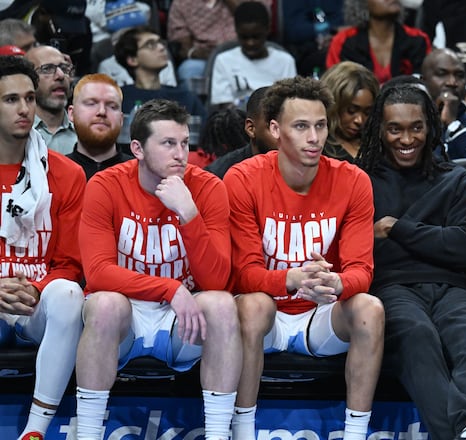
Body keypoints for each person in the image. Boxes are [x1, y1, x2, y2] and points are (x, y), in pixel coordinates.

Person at [224, 76, 384, 440]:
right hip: (267, 316)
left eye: (320, 125)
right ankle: (243, 431)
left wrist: (338, 282)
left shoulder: (354, 180)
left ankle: (356, 434)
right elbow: (245, 274)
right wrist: (291, 279)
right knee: (251, 306)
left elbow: (362, 270)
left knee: (370, 308)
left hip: (320, 312)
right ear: (275, 129)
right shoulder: (243, 179)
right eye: (301, 127)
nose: (314, 138)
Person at [75, 99, 242, 440]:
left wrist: (189, 215)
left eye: (184, 143)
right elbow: (97, 273)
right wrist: (169, 288)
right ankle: (88, 434)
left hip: (181, 323)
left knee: (224, 305)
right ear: (137, 148)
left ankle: (218, 434)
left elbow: (216, 280)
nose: (180, 154)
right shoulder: (106, 185)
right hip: (124, 320)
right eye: (168, 144)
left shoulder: (208, 188)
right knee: (104, 302)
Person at [355, 78, 466, 440]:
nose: (406, 140)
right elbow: (359, 249)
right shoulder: (359, 181)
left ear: (431, 128)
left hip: (455, 288)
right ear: (380, 129)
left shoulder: (459, 179)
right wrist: (436, 237)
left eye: (416, 128)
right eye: (395, 129)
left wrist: (396, 230)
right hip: (391, 289)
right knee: (417, 333)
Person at [0, 55, 85, 440]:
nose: (24, 109)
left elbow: (70, 261)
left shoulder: (66, 174)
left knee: (68, 294)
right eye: (10, 100)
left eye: (30, 98)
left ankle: (35, 432)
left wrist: (36, 288)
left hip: (36, 302)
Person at [209, 1, 297, 107]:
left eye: (256, 37)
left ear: (267, 30)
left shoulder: (285, 61)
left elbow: (290, 103)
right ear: (236, 31)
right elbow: (224, 106)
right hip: (238, 120)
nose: (250, 43)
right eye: (244, 37)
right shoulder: (223, 60)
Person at [326, 0, 431, 84]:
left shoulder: (418, 40)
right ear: (362, 3)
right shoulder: (343, 42)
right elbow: (335, 88)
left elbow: (424, 85)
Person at [113, 26, 207, 121]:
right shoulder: (118, 99)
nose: (162, 48)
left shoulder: (185, 97)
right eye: (150, 45)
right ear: (132, 60)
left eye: (161, 43)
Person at [166, 0, 269, 85]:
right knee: (189, 69)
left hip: (246, 51)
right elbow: (181, 43)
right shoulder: (182, 3)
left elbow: (257, 20)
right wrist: (195, 53)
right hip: (204, 58)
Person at [66, 73, 132, 180]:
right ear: (72, 114)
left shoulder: (140, 174)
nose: (102, 111)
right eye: (91, 103)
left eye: (112, 106)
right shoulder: (55, 173)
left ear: (121, 119)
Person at [205, 86, 276, 179]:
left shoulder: (299, 168)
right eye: (273, 128)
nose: (285, 135)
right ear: (251, 128)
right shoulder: (218, 175)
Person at [321, 61, 379, 162]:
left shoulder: (375, 143)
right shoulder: (318, 146)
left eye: (367, 113)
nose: (359, 120)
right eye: (351, 111)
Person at [23, 45, 76, 155]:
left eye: (64, 68)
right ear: (27, 80)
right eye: (47, 69)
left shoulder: (85, 135)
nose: (61, 75)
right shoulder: (13, 136)